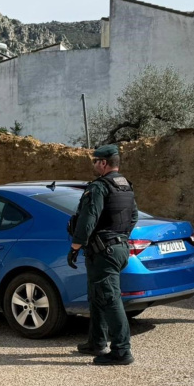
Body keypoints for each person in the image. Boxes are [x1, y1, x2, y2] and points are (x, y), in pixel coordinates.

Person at [67, 144, 139, 366]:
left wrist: (75, 246)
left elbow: (88, 219)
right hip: (118, 248)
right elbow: (133, 216)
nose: (94, 164)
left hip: (103, 251)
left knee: (109, 298)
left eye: (95, 161)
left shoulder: (99, 187)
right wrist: (119, 237)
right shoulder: (125, 186)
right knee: (97, 295)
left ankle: (122, 350)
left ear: (104, 163)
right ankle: (96, 342)